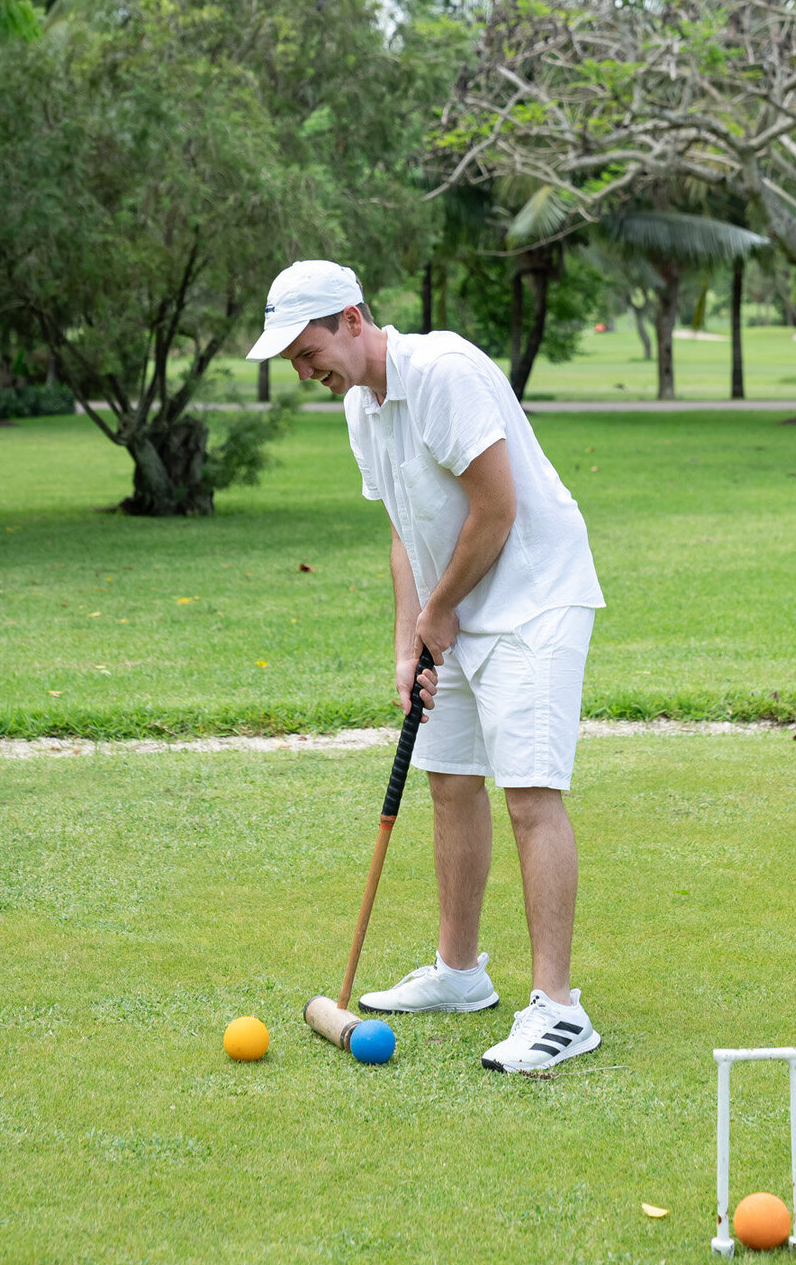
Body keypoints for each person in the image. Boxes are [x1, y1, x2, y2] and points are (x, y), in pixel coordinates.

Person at [247, 259, 605, 1072]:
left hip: (533, 599)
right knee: (448, 781)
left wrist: (441, 612)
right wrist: (410, 642)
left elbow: (498, 506)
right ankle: (459, 972)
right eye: (293, 361)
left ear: (350, 317)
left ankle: (559, 1008)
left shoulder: (442, 374)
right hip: (459, 603)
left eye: (307, 350)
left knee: (530, 796)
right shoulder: (358, 410)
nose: (304, 371)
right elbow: (407, 531)